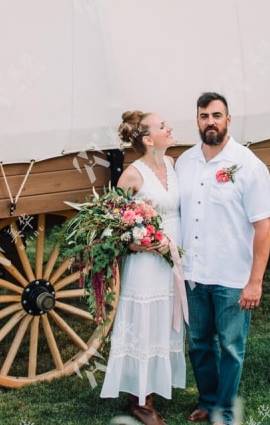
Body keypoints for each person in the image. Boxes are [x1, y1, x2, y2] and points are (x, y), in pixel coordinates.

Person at [175, 92, 270, 425]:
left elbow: (264, 226)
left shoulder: (247, 165)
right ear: (197, 120)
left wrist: (255, 282)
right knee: (198, 344)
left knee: (232, 347)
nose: (210, 122)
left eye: (217, 116)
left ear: (228, 120)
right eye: (204, 116)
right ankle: (207, 400)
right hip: (194, 274)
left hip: (232, 276)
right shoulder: (185, 163)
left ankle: (223, 410)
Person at [100, 110, 187, 425]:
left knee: (164, 321)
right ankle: (140, 401)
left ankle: (156, 385)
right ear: (149, 139)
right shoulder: (133, 175)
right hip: (146, 263)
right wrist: (137, 242)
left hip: (172, 262)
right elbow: (110, 225)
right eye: (163, 126)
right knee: (144, 324)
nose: (170, 127)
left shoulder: (172, 164)